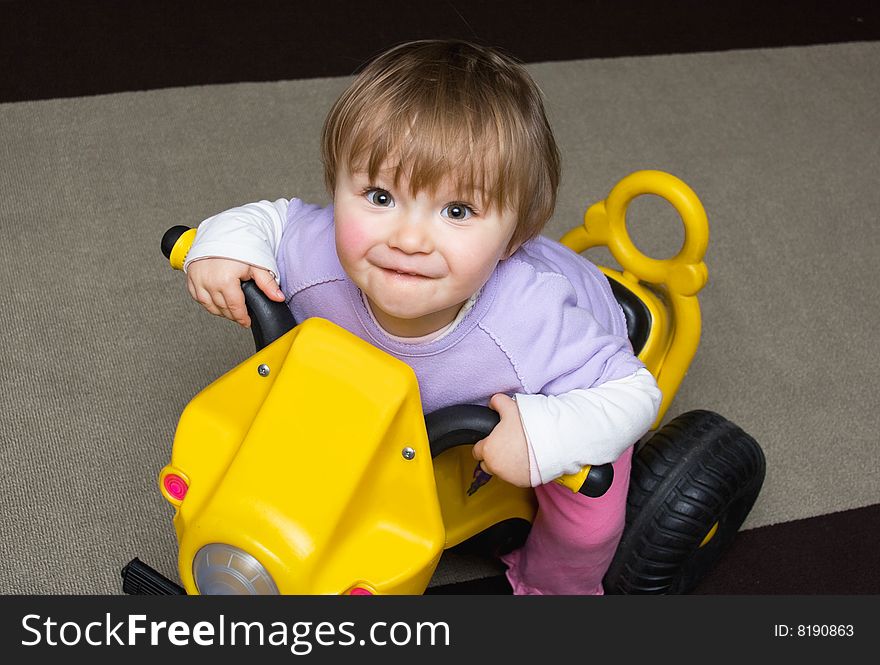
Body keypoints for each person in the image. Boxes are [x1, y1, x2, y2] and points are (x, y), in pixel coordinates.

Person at [183, 39, 661, 595]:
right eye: (380, 197)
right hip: (399, 412)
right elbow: (270, 219)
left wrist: (544, 435)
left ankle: (551, 590)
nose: (407, 239)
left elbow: (632, 393)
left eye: (457, 211)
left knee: (588, 517)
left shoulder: (532, 324)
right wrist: (222, 247)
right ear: (335, 186)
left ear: (516, 237)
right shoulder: (318, 255)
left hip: (566, 366)